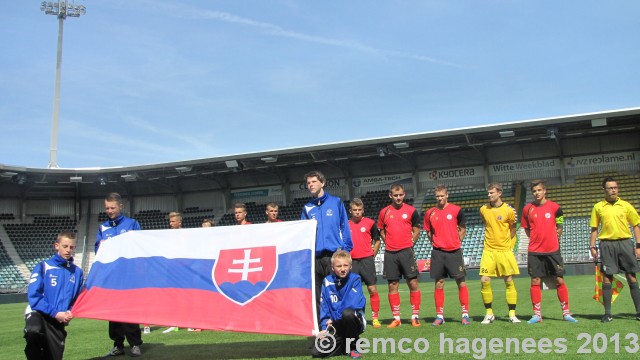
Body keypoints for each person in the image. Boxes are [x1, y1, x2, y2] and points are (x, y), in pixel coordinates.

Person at [301, 170, 353, 325]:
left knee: (337, 293)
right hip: (315, 258)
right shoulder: (307, 208)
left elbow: (345, 227)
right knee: (317, 296)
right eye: (308, 183)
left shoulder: (336, 202)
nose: (310, 185)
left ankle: (341, 328)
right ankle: (322, 330)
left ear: (322, 183)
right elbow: (304, 234)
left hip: (333, 256)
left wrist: (345, 250)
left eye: (314, 182)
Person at [522, 180, 578, 324]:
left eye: (539, 190)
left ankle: (566, 313)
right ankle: (537, 315)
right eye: (534, 191)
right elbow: (527, 229)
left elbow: (560, 225)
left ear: (544, 191)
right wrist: (537, 240)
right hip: (535, 251)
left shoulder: (555, 207)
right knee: (535, 281)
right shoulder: (527, 209)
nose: (537, 193)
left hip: (553, 250)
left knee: (559, 280)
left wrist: (554, 235)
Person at [97, 192, 143, 357]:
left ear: (120, 207)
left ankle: (135, 344)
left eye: (112, 207)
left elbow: (140, 247)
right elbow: (98, 252)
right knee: (113, 314)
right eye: (107, 208)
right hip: (112, 279)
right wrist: (101, 246)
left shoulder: (132, 224)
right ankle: (118, 344)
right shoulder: (103, 228)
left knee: (130, 312)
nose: (109, 211)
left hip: (129, 278)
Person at [24, 231, 84, 360]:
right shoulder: (43, 266)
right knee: (33, 332)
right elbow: (34, 296)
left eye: (71, 247)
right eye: (65, 246)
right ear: (56, 246)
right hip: (39, 313)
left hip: (58, 321)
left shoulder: (77, 272)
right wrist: (55, 313)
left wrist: (70, 312)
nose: (68, 250)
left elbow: (77, 299)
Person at [589, 176, 640, 323]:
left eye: (615, 187)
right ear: (604, 189)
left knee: (631, 277)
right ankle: (607, 313)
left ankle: (638, 312)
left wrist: (638, 246)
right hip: (606, 244)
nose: (613, 190)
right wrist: (592, 246)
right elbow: (594, 228)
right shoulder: (598, 207)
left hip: (625, 243)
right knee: (607, 278)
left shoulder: (626, 205)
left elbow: (636, 225)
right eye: (610, 188)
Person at [423, 185, 470, 326]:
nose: (440, 198)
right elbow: (428, 231)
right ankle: (439, 316)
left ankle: (465, 314)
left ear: (447, 195)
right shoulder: (430, 213)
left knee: (460, 282)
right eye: (437, 196)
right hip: (438, 252)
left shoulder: (456, 210)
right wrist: (436, 243)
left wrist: (456, 241)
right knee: (439, 283)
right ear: (435, 197)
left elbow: (462, 228)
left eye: (442, 195)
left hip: (454, 252)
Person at [377, 183, 421, 328]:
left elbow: (416, 230)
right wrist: (387, 242)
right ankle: (397, 318)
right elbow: (381, 230)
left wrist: (410, 244)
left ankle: (415, 316)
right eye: (395, 195)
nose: (398, 198)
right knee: (392, 285)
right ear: (390, 196)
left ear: (404, 194)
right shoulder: (384, 212)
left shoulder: (411, 210)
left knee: (413, 283)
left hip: (406, 252)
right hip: (390, 253)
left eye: (400, 195)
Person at [478, 183, 521, 324]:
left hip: (504, 251)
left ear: (499, 193)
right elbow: (487, 224)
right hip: (488, 250)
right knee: (484, 280)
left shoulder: (509, 210)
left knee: (508, 281)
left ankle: (512, 314)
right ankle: (489, 313)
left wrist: (509, 246)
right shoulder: (484, 209)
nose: (489, 195)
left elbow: (513, 229)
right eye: (488, 193)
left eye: (492, 193)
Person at [312, 250, 365, 359]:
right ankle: (343, 343)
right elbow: (324, 305)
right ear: (332, 267)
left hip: (353, 320)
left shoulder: (355, 279)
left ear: (350, 266)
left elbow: (352, 303)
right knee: (317, 353)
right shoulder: (327, 281)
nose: (342, 269)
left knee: (348, 313)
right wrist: (323, 327)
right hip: (335, 324)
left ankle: (353, 346)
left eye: (346, 265)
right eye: (339, 266)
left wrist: (335, 317)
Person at [347, 198, 382, 328]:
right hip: (352, 261)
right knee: (353, 291)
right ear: (350, 211)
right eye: (355, 210)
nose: (357, 212)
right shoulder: (345, 224)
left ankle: (375, 318)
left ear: (363, 210)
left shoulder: (370, 223)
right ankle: (357, 316)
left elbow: (377, 240)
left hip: (367, 260)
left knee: (372, 289)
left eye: (359, 210)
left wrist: (373, 254)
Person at [164, 212, 185, 334]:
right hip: (171, 269)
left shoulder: (185, 235)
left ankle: (187, 321)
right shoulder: (168, 236)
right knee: (172, 296)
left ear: (179, 222)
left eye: (173, 221)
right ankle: (174, 323)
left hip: (182, 270)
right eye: (170, 221)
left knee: (184, 296)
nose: (170, 224)